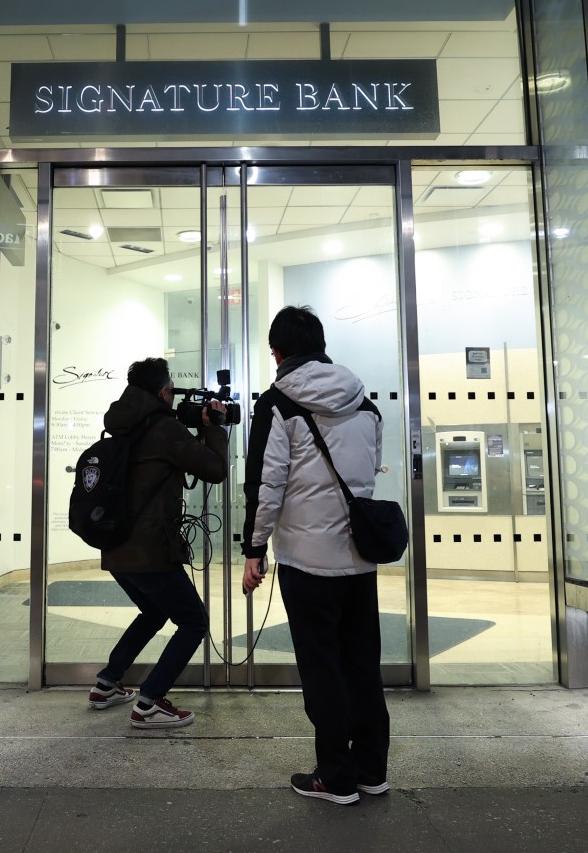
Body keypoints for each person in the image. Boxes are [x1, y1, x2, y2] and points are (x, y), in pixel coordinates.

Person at [240, 305, 390, 804]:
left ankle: (335, 775)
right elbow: (369, 473)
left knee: (323, 667)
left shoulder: (278, 405)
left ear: (277, 352)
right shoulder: (366, 405)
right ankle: (371, 768)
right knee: (362, 663)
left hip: (308, 562)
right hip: (359, 560)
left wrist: (254, 548)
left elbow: (267, 485)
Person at [87, 357, 227, 729]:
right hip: (150, 549)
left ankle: (107, 683)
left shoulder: (124, 425)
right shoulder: (163, 429)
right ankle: (150, 701)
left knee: (154, 611)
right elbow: (215, 469)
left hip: (116, 547)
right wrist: (215, 429)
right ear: (164, 391)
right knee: (194, 621)